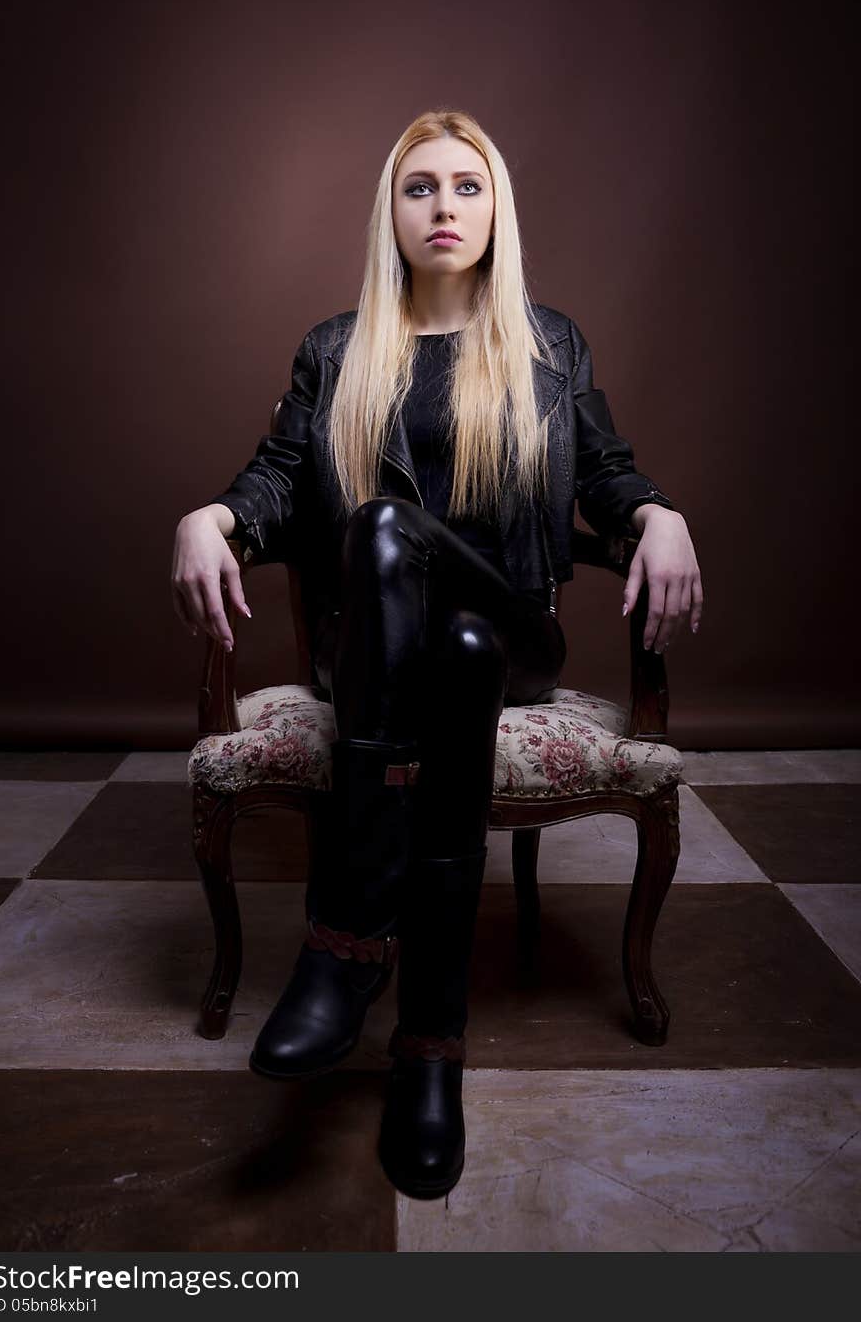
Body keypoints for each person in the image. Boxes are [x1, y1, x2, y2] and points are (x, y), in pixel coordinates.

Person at [171, 108, 703, 1201]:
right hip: (392, 655)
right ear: (392, 212)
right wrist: (208, 519)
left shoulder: (549, 343)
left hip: (520, 633)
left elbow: (605, 471)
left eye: (466, 185)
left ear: (495, 206)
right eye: (420, 188)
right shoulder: (336, 348)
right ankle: (429, 1055)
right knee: (444, 646)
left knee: (398, 549)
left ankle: (349, 931)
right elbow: (273, 481)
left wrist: (656, 512)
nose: (444, 206)